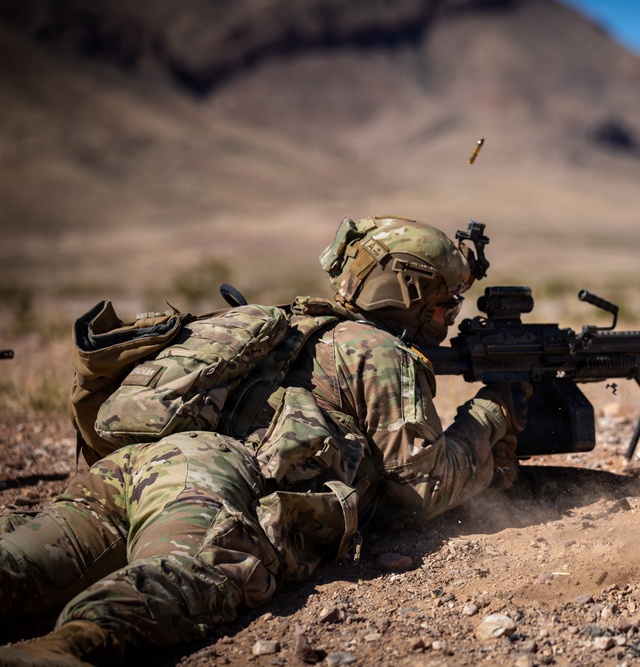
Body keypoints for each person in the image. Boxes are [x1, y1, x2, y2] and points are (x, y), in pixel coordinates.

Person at [0, 215, 529, 666]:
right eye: (446, 305)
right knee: (187, 577)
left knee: (20, 565)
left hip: (137, 465)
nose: (449, 318)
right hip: (208, 477)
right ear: (409, 291)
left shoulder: (292, 325)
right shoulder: (378, 352)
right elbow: (424, 487)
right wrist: (490, 415)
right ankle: (66, 650)